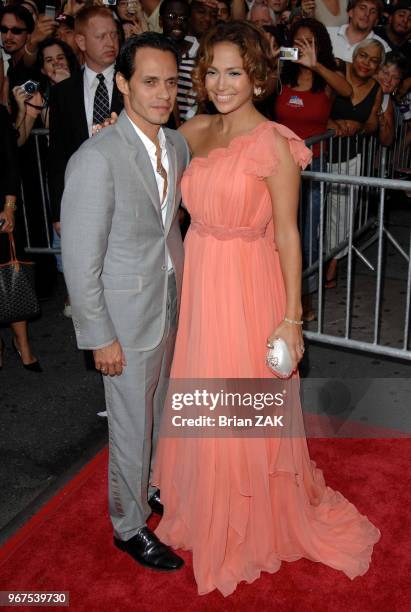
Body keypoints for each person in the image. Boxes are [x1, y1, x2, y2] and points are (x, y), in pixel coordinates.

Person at [152, 20, 380, 596]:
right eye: (212, 70)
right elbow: (146, 169)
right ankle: (207, 501)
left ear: (257, 77)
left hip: (249, 284)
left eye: (235, 71)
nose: (222, 82)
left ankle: (248, 513)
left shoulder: (275, 144)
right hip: (203, 277)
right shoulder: (192, 130)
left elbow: (286, 235)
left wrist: (291, 318)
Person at [61, 32, 190, 572]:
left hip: (167, 302)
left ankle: (152, 487)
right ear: (122, 84)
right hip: (122, 320)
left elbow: (168, 228)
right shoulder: (97, 156)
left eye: (169, 83)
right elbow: (79, 258)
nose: (162, 94)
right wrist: (100, 336)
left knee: (160, 412)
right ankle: (128, 526)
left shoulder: (178, 145)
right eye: (149, 82)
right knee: (130, 424)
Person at [274, 18, 352, 318]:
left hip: (313, 164)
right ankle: (276, 290)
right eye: (298, 41)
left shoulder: (328, 77)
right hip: (279, 165)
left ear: (320, 44)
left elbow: (347, 92)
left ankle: (302, 298)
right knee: (278, 230)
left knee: (307, 231)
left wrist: (316, 64)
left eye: (310, 41)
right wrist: (268, 61)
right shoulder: (282, 75)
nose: (302, 46)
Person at [48, 5, 123, 316]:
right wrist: (58, 211)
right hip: (82, 204)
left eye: (114, 35)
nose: (110, 42)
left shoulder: (133, 84)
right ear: (80, 41)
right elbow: (57, 156)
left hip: (125, 200)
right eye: (101, 36)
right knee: (88, 285)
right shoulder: (63, 94)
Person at [326, 38, 384, 287]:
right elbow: (317, 104)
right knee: (315, 210)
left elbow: (373, 123)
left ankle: (332, 263)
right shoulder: (339, 68)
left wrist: (360, 125)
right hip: (318, 153)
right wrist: (331, 123)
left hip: (350, 157)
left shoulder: (376, 88)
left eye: (373, 61)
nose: (366, 63)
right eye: (363, 56)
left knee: (342, 214)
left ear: (379, 66)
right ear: (354, 54)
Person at [0, 104, 42, 372]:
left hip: (0, 210)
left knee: (10, 273)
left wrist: (9, 206)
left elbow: (9, 161)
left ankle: (22, 343)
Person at [13, 37, 80, 144]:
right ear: (43, 70)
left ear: (68, 61)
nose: (56, 63)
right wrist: (21, 111)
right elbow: (19, 141)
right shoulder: (38, 95)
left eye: (60, 58)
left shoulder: (84, 84)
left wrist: (66, 85)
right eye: (49, 60)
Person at [375, 50, 409, 146]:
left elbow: (388, 141)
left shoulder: (385, 97)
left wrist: (382, 124)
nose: (389, 80)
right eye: (385, 72)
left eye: (395, 77)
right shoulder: (359, 85)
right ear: (376, 69)